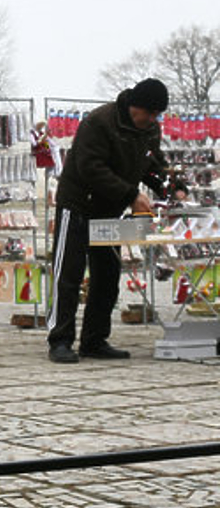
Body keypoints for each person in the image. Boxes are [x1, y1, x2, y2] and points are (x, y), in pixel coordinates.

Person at [47, 78, 180, 364]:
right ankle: (60, 339)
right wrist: (131, 195)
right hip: (78, 204)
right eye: (151, 114)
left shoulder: (149, 130)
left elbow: (152, 164)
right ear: (136, 107)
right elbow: (90, 167)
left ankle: (94, 339)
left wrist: (172, 185)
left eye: (157, 116)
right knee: (68, 274)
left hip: (109, 210)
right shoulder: (100, 122)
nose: (153, 120)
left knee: (107, 277)